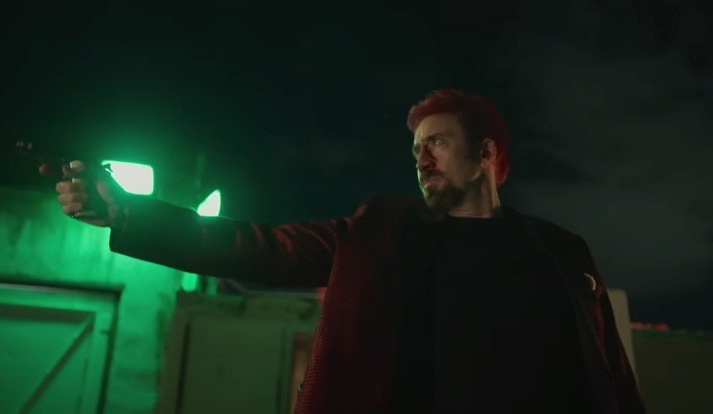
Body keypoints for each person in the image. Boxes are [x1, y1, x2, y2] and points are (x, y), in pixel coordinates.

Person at [53, 89, 645, 414]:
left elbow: (614, 377)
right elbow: (259, 246)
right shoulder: (379, 232)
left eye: (437, 142)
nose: (421, 159)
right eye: (416, 149)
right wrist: (129, 215)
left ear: (486, 155)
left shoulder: (561, 253)